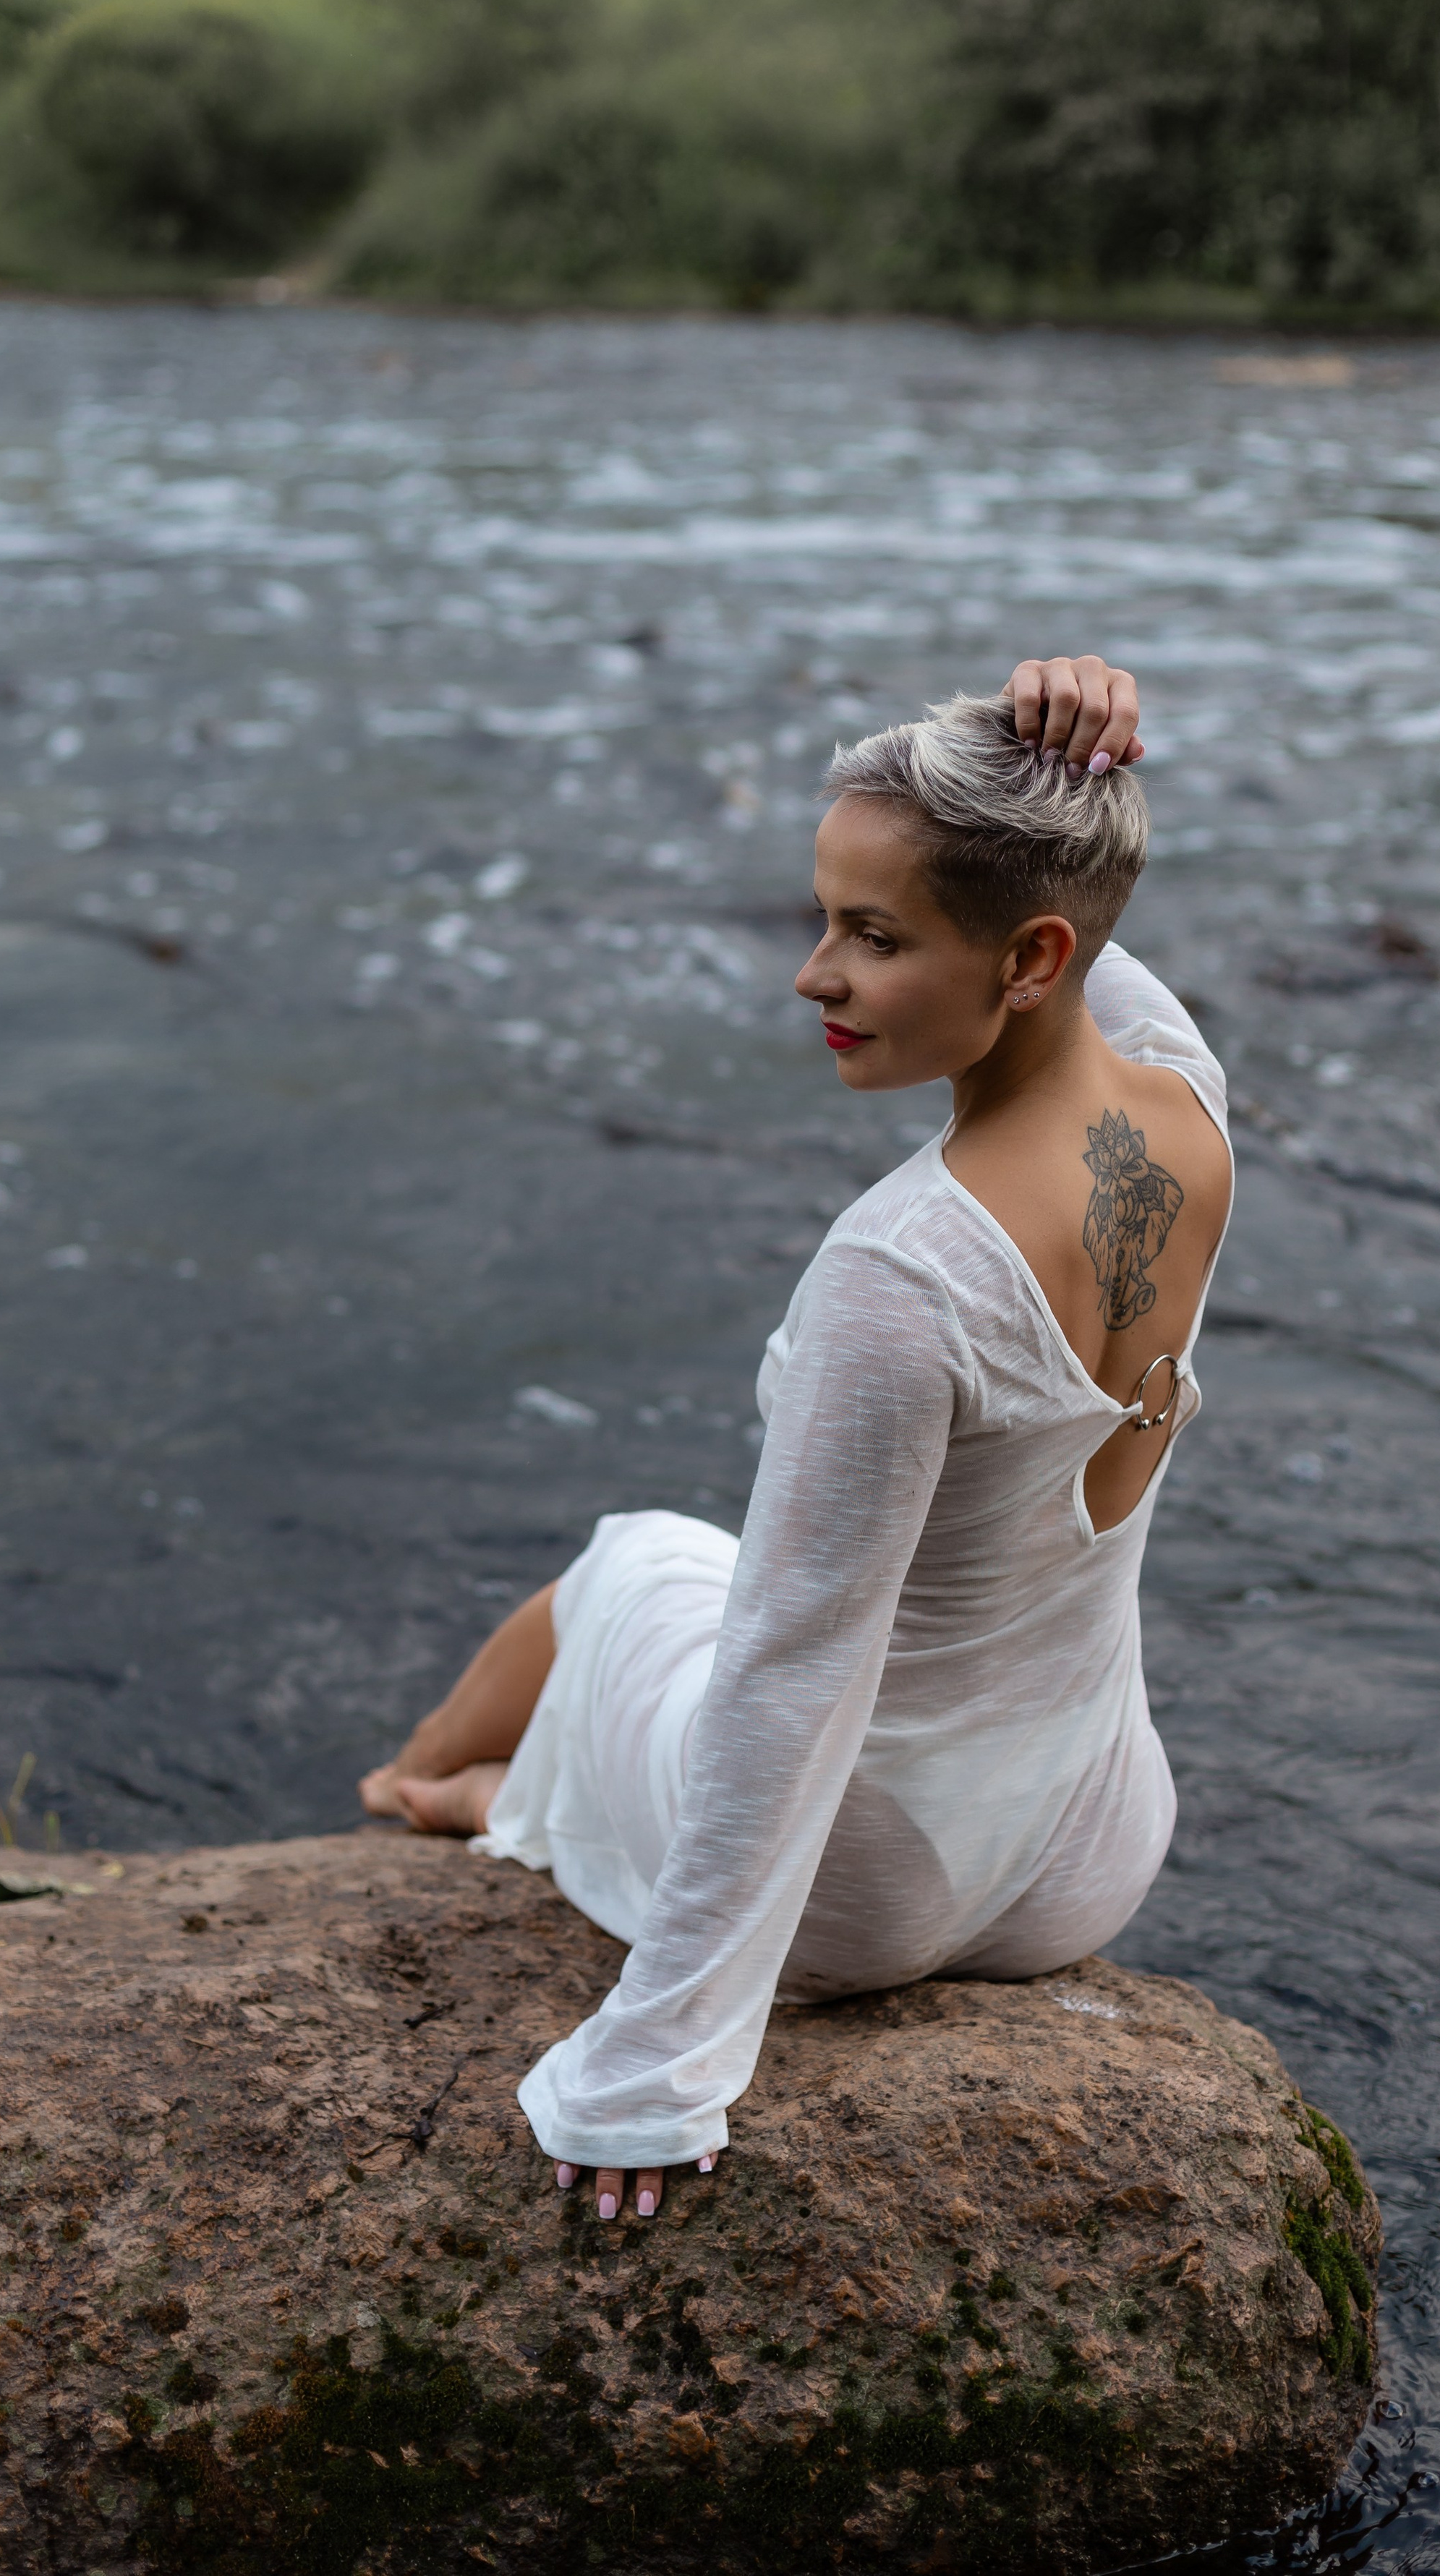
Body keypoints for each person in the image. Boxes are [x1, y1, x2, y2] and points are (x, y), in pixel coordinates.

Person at [361, 654, 1232, 2229]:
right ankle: (488, 1798)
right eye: (823, 920)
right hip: (1085, 1845)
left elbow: (794, 1668)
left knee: (637, 1563)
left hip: (865, 1894)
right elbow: (1081, 919)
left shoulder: (905, 1273)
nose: (811, 975)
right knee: (710, 1587)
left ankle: (420, 1793)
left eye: (872, 937)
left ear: (1029, 960)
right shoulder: (1182, 1102)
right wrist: (1071, 766)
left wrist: (650, 2073)